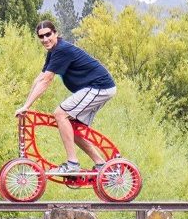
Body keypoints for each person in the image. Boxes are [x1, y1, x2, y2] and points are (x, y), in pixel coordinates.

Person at [15, 20, 117, 174]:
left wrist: (27, 106)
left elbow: (47, 80)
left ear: (56, 33)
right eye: (41, 37)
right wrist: (25, 105)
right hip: (95, 88)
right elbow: (39, 79)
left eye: (48, 34)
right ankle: (101, 164)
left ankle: (72, 163)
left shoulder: (62, 50)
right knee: (72, 128)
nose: (45, 39)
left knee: (60, 114)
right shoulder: (53, 52)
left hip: (100, 86)